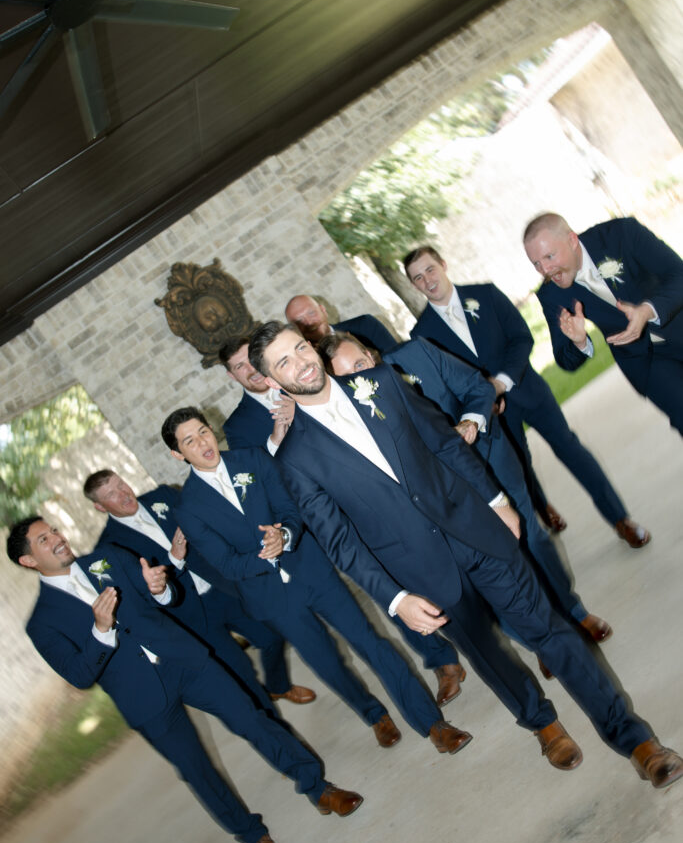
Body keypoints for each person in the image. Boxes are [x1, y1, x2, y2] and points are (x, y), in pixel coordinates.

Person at [247, 320, 683, 789]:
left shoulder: (383, 382)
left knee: (550, 631)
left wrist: (497, 502)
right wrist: (395, 600)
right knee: (491, 656)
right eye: (284, 362)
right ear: (272, 381)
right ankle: (542, 723)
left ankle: (634, 740)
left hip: (476, 530)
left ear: (312, 345)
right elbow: (340, 542)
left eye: (299, 348)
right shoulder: (293, 457)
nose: (301, 362)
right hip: (420, 577)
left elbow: (445, 444)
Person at [8, 517, 363, 843]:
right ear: (29, 561)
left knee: (252, 719)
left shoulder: (109, 557)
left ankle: (318, 787)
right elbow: (80, 675)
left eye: (53, 530)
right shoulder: (42, 622)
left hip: (185, 661)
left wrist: (160, 588)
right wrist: (100, 631)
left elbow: (166, 597)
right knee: (196, 770)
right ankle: (254, 836)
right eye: (43, 539)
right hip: (144, 700)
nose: (56, 537)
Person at [161, 407, 469, 754]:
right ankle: (374, 715)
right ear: (177, 453)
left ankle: (432, 724)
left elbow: (291, 510)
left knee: (371, 642)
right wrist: (267, 553)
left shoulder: (253, 459)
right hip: (271, 597)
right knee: (329, 664)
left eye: (203, 430)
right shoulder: (188, 507)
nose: (203, 442)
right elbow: (226, 565)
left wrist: (286, 537)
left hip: (311, 570)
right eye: (189, 440)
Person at [319, 331, 613, 661]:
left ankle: (573, 612)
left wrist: (470, 422)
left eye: (361, 364)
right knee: (483, 574)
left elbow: (478, 387)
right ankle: (538, 642)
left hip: (486, 461)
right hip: (446, 499)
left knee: (530, 538)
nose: (360, 376)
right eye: (347, 377)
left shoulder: (419, 353)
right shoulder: (347, 418)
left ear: (371, 354)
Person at [221, 335, 466, 705]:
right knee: (378, 592)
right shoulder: (238, 427)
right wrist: (277, 437)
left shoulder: (306, 378)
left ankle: (460, 644)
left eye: (251, 361)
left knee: (405, 570)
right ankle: (430, 668)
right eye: (240, 367)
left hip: (357, 500)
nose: (249, 370)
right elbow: (259, 483)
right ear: (231, 375)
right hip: (306, 525)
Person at [404, 245, 651, 548]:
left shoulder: (486, 294)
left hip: (526, 390)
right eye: (417, 278)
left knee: (570, 447)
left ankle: (620, 519)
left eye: (430, 269)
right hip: (488, 415)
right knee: (518, 468)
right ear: (413, 285)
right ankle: (542, 508)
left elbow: (521, 337)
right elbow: (442, 384)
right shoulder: (421, 335)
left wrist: (500, 383)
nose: (427, 280)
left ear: (443, 264)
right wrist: (482, 400)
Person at [84, 469, 315, 707]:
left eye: (121, 484)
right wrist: (173, 560)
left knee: (272, 636)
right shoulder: (110, 547)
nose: (123, 494)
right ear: (100, 507)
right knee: (238, 672)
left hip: (221, 588)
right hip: (188, 615)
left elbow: (207, 523)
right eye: (111, 494)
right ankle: (269, 720)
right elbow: (142, 596)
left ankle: (278, 687)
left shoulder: (163, 496)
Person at [523, 213, 683, 434]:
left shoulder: (621, 233)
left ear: (572, 240)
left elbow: (678, 273)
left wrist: (647, 311)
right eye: (536, 264)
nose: (546, 270)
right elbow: (564, 359)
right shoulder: (551, 294)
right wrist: (579, 342)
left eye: (550, 256)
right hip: (646, 361)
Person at [220, 335, 297, 455]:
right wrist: (274, 442)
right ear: (232, 376)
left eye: (251, 358)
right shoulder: (235, 428)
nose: (251, 368)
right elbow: (252, 469)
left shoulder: (297, 378)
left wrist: (301, 410)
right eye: (240, 366)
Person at [285, 294, 396, 353]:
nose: (309, 322)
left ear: (323, 310)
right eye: (299, 321)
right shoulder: (305, 358)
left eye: (311, 313)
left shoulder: (365, 325)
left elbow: (400, 358)